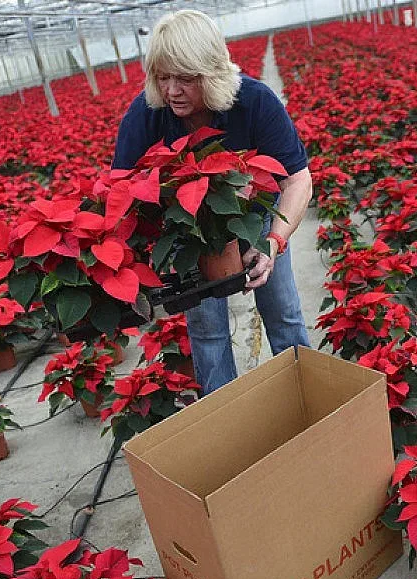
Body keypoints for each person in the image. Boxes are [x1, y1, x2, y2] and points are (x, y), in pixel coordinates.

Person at [112, 9, 312, 395]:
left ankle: (306, 398)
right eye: (162, 76)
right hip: (189, 238)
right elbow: (120, 192)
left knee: (284, 316)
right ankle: (225, 418)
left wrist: (272, 244)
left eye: (185, 78)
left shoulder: (255, 102)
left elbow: (298, 180)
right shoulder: (147, 113)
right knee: (206, 332)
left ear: (212, 71)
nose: (171, 91)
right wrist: (129, 273)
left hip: (257, 225)